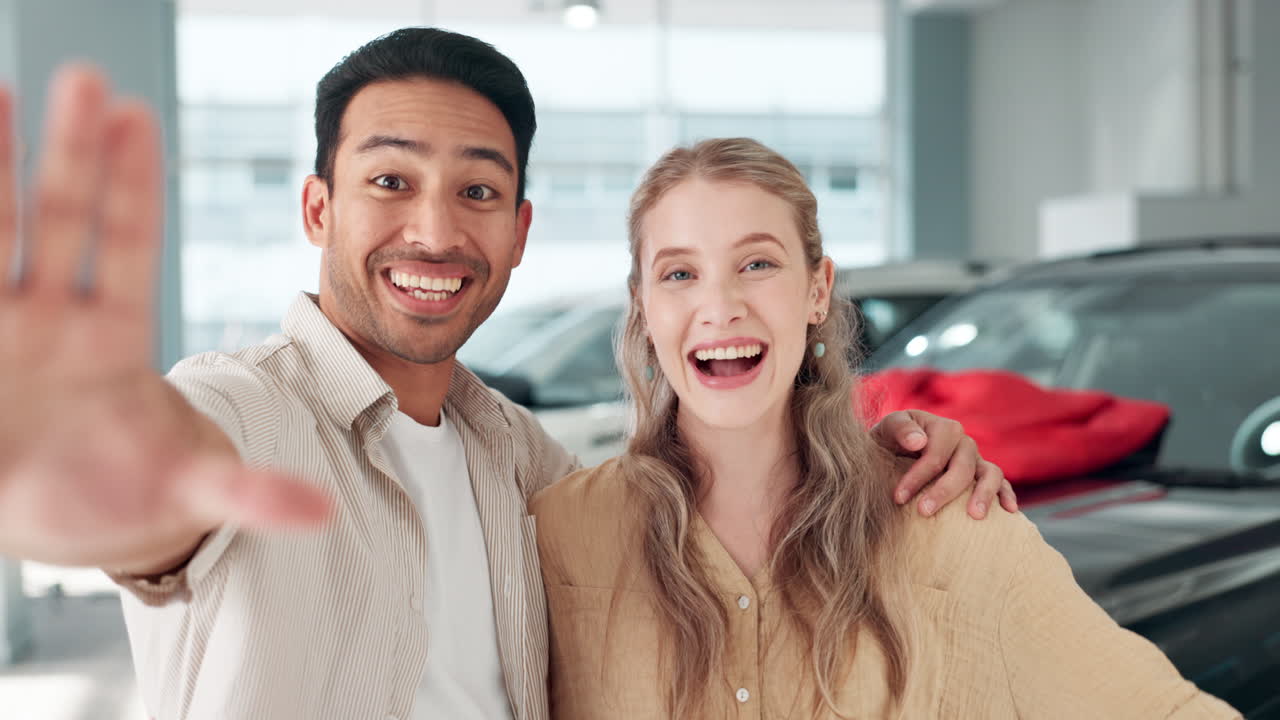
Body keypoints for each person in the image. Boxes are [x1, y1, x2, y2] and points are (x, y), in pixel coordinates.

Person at [0, 29, 1015, 720]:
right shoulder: (242, 411)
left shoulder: (521, 460)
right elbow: (151, 484)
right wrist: (70, 469)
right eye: (389, 181)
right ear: (317, 209)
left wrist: (886, 458)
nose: (435, 231)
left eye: (476, 190)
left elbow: (718, 522)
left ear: (521, 229)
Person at [529, 138, 1241, 719]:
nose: (720, 307)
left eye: (756, 264)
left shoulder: (944, 522)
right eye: (679, 274)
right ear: (642, 307)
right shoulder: (560, 533)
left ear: (817, 290)